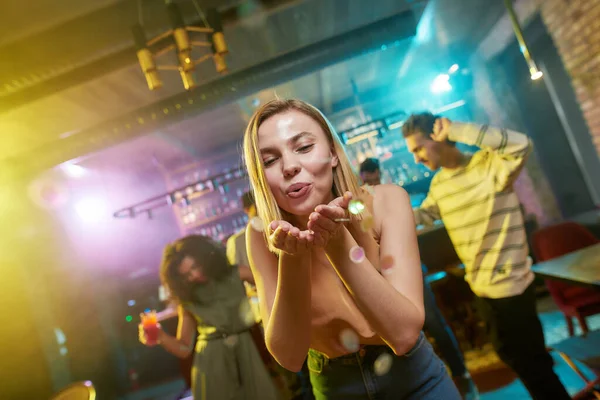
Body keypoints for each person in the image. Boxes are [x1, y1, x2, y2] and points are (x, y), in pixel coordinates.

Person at [242, 98, 461, 399]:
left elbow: (404, 335)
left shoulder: (387, 201)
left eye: (304, 147)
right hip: (334, 388)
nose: (290, 167)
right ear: (260, 177)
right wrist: (292, 257)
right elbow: (289, 357)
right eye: (269, 161)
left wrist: (336, 241)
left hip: (415, 382)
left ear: (332, 153)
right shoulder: (260, 236)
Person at [402, 112, 570, 400]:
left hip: (512, 286)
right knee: (517, 358)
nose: (416, 158)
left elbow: (521, 144)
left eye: (418, 148)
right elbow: (422, 214)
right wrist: (377, 211)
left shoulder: (489, 166)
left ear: (438, 137)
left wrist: (459, 130)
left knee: (532, 365)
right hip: (481, 288)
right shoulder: (440, 184)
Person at [359, 158, 478, 399]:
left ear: (379, 175)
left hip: (409, 270)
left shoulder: (390, 199)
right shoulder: (359, 205)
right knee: (395, 335)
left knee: (433, 322)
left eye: (375, 178)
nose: (372, 182)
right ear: (361, 178)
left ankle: (460, 373)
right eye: (368, 179)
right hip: (381, 279)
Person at [138, 235, 280, 400]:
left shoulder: (237, 273)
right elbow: (184, 348)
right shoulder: (189, 301)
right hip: (211, 362)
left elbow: (274, 288)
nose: (195, 274)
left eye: (196, 266)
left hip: (248, 351)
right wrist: (160, 336)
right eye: (187, 275)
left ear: (206, 257)